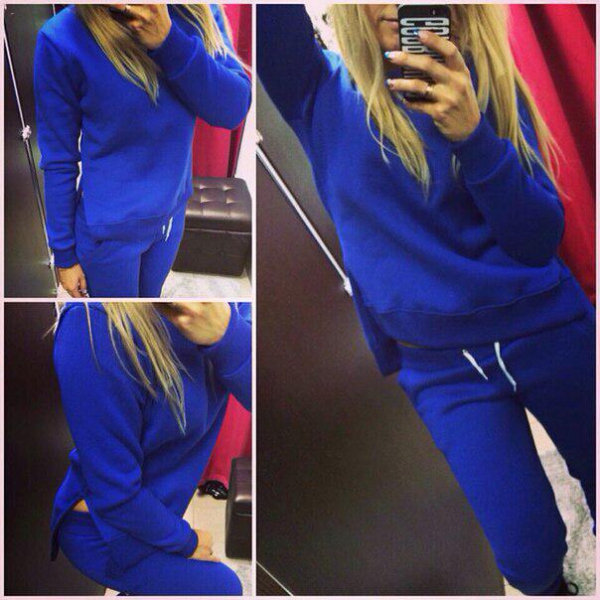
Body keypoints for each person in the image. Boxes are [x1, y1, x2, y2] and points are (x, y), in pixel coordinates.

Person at [257, 4, 594, 595]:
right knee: (527, 555)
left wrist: (475, 138)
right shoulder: (316, 91)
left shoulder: (480, 78)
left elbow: (538, 239)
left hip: (549, 328)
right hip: (442, 369)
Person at [34, 4, 251, 297]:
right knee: (120, 323)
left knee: (151, 307)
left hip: (170, 218)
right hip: (108, 235)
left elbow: (233, 110)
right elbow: (59, 158)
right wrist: (64, 255)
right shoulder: (61, 37)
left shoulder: (194, 11)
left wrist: (169, 41)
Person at [51, 301, 251, 595]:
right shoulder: (93, 324)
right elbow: (115, 493)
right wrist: (188, 541)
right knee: (223, 588)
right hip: (104, 527)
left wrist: (226, 335)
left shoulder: (227, 308)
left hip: (155, 513)